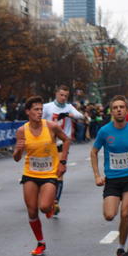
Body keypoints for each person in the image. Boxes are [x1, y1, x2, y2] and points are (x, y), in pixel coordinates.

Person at [90, 95, 128, 256]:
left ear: (127, 110)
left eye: (122, 107)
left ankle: (121, 248)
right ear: (111, 111)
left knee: (125, 213)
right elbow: (93, 152)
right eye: (115, 108)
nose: (119, 110)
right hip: (112, 179)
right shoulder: (104, 131)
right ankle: (121, 243)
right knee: (109, 215)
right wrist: (97, 175)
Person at [13, 96, 70, 256]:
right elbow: (16, 158)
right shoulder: (22, 131)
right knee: (32, 211)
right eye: (36, 109)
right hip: (30, 173)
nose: (39, 112)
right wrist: (18, 150)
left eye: (41, 109)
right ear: (28, 112)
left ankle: (50, 206)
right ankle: (41, 242)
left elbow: (66, 140)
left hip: (49, 173)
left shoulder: (51, 126)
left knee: (44, 207)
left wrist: (63, 161)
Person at [41, 85, 84, 216]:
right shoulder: (47, 107)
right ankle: (45, 196)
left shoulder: (69, 107)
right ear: (56, 94)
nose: (63, 98)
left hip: (61, 144)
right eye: (61, 95)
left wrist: (69, 115)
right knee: (46, 172)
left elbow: (81, 116)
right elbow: (38, 120)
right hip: (47, 144)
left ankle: (55, 202)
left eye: (66, 96)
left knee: (59, 172)